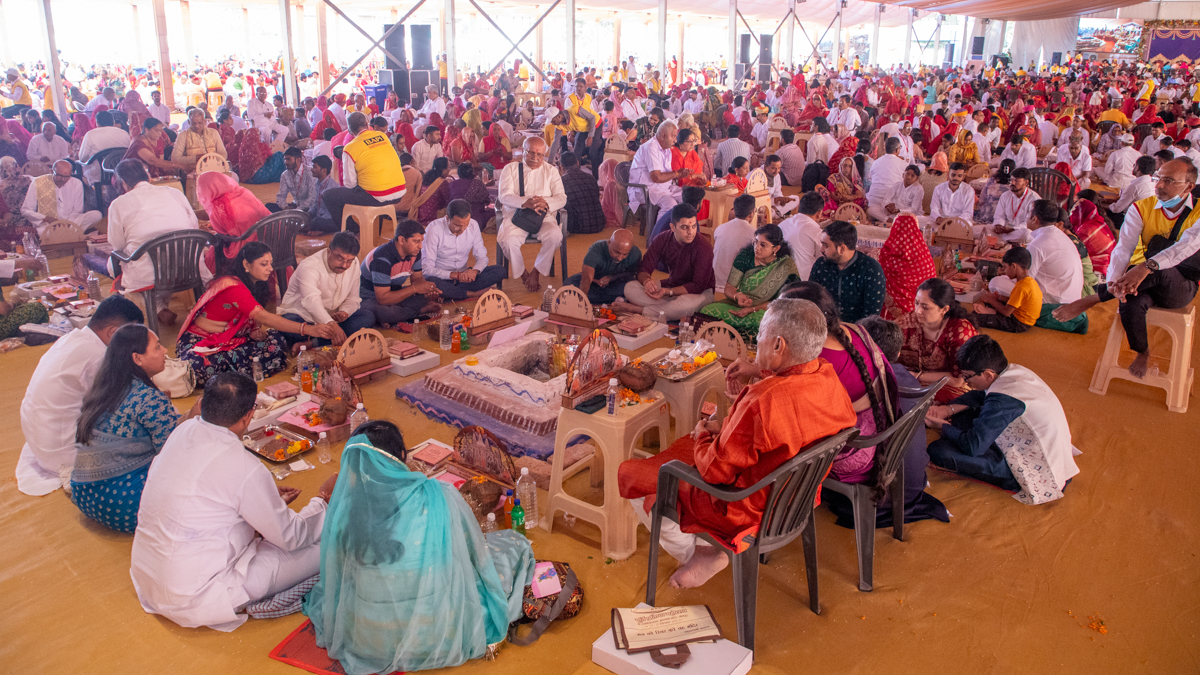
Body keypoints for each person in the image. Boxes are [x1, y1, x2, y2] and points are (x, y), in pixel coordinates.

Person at [617, 298, 857, 589]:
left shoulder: (762, 400)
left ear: (778, 345)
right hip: (796, 498)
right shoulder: (827, 376)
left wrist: (705, 432)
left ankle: (698, 552)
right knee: (685, 446)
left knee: (632, 473)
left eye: (760, 336)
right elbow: (790, 423)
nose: (757, 342)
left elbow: (714, 473)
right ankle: (699, 548)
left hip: (742, 507)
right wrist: (757, 378)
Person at [303, 421, 533, 673]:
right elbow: (474, 555)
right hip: (435, 637)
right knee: (512, 545)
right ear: (402, 456)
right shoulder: (438, 494)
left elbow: (339, 576)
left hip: (368, 638)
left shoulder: (347, 510)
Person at [131, 372, 337, 631]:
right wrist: (323, 499)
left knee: (277, 535)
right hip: (197, 595)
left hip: (149, 577)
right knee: (330, 545)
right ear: (248, 417)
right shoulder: (243, 466)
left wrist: (264, 500)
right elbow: (291, 536)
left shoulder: (183, 431)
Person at [1052, 158, 1200, 378]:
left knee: (1158, 269)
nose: (1159, 186)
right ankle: (1142, 350)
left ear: (1188, 187)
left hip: (1180, 287)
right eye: (1158, 178)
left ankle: (1095, 298)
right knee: (1130, 303)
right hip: (1144, 280)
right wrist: (1114, 281)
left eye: (1168, 181)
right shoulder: (1142, 207)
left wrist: (1146, 267)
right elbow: (1123, 249)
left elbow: (1185, 247)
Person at [70, 324, 200, 532]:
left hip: (85, 495)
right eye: (157, 347)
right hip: (126, 508)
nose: (165, 351)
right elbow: (171, 456)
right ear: (137, 358)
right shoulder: (149, 399)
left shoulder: (105, 387)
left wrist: (191, 414)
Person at [925, 335, 1079, 504]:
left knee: (939, 450)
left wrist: (943, 427)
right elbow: (981, 394)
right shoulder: (1012, 371)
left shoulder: (1003, 399)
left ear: (988, 375)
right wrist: (947, 409)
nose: (966, 382)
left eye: (968, 377)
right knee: (963, 413)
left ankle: (1008, 479)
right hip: (1036, 446)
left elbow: (973, 447)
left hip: (1037, 469)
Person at [15, 296, 144, 496]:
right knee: (145, 438)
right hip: (64, 454)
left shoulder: (71, 339)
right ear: (113, 333)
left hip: (39, 442)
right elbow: (124, 406)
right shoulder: (98, 356)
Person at [179, 242, 335, 385]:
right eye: (263, 264)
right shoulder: (233, 287)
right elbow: (265, 317)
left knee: (276, 339)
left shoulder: (254, 283)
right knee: (199, 365)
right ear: (246, 264)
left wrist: (254, 330)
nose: (270, 268)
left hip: (231, 339)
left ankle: (237, 371)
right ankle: (228, 376)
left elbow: (255, 316)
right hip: (201, 344)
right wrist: (308, 329)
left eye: (270, 263)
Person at [850, 315, 950, 527]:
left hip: (874, 491)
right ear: (897, 353)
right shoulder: (907, 379)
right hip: (911, 485)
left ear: (859, 348)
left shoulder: (861, 381)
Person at [106, 159, 202, 325]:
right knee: (160, 262)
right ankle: (160, 307)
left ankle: (154, 308)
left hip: (149, 275)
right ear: (148, 177)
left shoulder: (118, 204)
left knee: (112, 263)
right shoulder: (174, 192)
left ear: (123, 184)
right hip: (188, 267)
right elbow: (194, 225)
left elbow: (117, 245)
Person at [615, 203, 715, 320]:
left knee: (685, 305)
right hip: (672, 286)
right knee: (630, 288)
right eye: (684, 227)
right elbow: (644, 268)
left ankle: (639, 310)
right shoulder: (662, 239)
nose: (690, 232)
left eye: (693, 226)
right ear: (673, 227)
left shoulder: (704, 247)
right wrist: (647, 282)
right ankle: (666, 310)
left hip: (700, 293)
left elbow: (698, 285)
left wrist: (669, 292)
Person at [702, 223, 800, 337]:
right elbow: (729, 287)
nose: (757, 247)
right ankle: (739, 335)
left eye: (763, 245)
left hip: (765, 311)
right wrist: (737, 296)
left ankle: (727, 333)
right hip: (738, 306)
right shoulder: (746, 256)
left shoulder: (786, 266)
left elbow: (782, 303)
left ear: (776, 248)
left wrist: (752, 309)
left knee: (767, 324)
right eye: (756, 242)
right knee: (707, 311)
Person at [278, 231, 374, 346]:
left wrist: (345, 312)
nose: (344, 265)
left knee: (368, 317)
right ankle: (323, 339)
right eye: (340, 258)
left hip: (332, 317)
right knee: (289, 325)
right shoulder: (309, 266)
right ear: (329, 251)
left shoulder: (354, 264)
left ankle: (312, 343)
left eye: (349, 261)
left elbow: (353, 298)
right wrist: (331, 325)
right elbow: (311, 302)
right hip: (303, 315)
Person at [497, 136, 567, 292]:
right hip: (517, 216)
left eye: (540, 155)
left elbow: (562, 198)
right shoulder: (511, 169)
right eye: (531, 153)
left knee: (555, 236)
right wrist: (525, 203)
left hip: (544, 217)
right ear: (523, 151)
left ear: (544, 155)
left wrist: (546, 203)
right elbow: (504, 196)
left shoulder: (552, 171)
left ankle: (536, 272)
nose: (535, 158)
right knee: (507, 240)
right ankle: (523, 274)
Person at [896, 277, 978, 403]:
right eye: (916, 303)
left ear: (944, 309)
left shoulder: (960, 331)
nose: (918, 311)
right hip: (911, 380)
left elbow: (959, 380)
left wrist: (918, 377)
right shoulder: (906, 322)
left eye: (925, 307)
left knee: (932, 411)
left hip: (948, 386)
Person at [322, 112, 407, 233]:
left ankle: (354, 232)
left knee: (328, 195)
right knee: (375, 186)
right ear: (367, 124)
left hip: (377, 196)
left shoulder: (350, 148)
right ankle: (375, 234)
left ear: (350, 131)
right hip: (399, 192)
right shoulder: (382, 136)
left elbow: (350, 184)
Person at [359, 219, 441, 326]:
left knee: (424, 297)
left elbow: (417, 278)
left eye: (421, 241)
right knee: (387, 313)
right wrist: (415, 289)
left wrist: (426, 289)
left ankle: (402, 314)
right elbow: (383, 299)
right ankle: (419, 312)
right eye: (416, 241)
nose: (420, 246)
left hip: (395, 293)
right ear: (402, 240)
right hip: (370, 298)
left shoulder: (415, 252)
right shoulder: (381, 259)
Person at [421, 199, 507, 301]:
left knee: (499, 270)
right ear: (447, 218)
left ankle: (451, 294)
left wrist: (474, 271)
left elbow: (482, 256)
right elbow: (427, 269)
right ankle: (472, 294)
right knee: (430, 281)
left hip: (465, 278)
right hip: (442, 279)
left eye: (466, 225)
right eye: (457, 226)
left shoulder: (473, 225)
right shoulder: (434, 229)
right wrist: (455, 275)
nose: (462, 229)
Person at [809, 220, 886, 323]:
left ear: (842, 249)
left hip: (857, 333)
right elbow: (811, 301)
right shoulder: (821, 265)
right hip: (823, 329)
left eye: (826, 245)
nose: (821, 250)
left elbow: (871, 317)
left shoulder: (870, 270)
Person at [19, 159, 103, 234]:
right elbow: (25, 210)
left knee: (96, 215)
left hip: (71, 223)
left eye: (67, 176)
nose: (63, 179)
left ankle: (66, 234)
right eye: (60, 176)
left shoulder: (77, 183)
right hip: (47, 225)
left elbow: (77, 211)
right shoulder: (37, 183)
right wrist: (46, 218)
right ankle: (72, 235)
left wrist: (66, 224)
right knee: (43, 232)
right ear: (52, 172)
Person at [878, 213, 936, 320]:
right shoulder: (925, 257)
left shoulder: (886, 254)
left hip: (888, 318)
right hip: (918, 314)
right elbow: (932, 285)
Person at [971, 247, 1041, 334]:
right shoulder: (1029, 282)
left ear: (1014, 266)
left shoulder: (1022, 287)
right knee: (990, 303)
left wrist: (990, 300)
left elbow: (1006, 312)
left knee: (974, 317)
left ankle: (992, 313)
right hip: (1023, 318)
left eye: (1005, 267)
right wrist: (1000, 298)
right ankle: (991, 311)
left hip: (1018, 323)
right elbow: (1017, 301)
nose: (1004, 270)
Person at [567, 229, 643, 306]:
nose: (620, 258)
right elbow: (587, 276)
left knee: (634, 287)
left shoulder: (635, 253)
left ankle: (601, 299)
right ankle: (617, 299)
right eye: (617, 252)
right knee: (570, 283)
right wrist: (583, 297)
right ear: (609, 242)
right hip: (594, 283)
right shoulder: (596, 248)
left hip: (616, 283)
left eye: (625, 254)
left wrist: (612, 278)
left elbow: (631, 274)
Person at [628, 120, 684, 217]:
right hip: (646, 189)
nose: (675, 140)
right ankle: (659, 232)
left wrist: (680, 174)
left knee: (688, 197)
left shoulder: (667, 149)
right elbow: (656, 178)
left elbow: (665, 175)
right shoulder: (650, 147)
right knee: (670, 205)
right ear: (663, 135)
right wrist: (677, 173)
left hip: (662, 188)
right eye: (673, 136)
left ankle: (679, 230)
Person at [711, 194, 758, 292]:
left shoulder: (720, 228)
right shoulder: (754, 233)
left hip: (713, 281)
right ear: (751, 213)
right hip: (732, 288)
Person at [777, 191, 825, 279]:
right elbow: (823, 259)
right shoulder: (817, 232)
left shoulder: (782, 224)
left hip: (779, 280)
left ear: (798, 207)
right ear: (819, 214)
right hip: (804, 282)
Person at [77, 110, 130, 185]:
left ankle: (94, 195)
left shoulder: (90, 134)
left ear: (97, 123)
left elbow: (82, 158)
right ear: (113, 122)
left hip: (99, 175)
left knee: (82, 171)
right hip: (120, 172)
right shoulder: (124, 133)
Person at [557, 152, 605, 234]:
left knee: (556, 203)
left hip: (579, 227)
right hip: (599, 223)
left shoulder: (561, 181)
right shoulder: (591, 177)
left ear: (561, 167)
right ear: (578, 162)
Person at [1108, 155, 1157, 229]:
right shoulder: (1153, 183)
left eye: (1134, 165)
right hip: (1146, 220)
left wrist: (1103, 205)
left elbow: (1117, 209)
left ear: (1137, 167)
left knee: (1102, 213)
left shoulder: (1135, 186)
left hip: (1131, 221)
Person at [865, 137, 908, 222]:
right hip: (892, 205)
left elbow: (872, 179)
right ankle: (891, 220)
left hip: (875, 204)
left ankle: (886, 219)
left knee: (871, 209)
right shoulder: (903, 164)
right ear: (897, 150)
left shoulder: (875, 162)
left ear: (885, 149)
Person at [174, 107, 228, 171]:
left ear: (204, 122)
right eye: (194, 123)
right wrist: (195, 158)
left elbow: (223, 154)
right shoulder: (183, 135)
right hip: (193, 171)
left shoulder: (213, 133)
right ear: (189, 122)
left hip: (214, 169)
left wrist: (211, 160)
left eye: (199, 123)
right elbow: (175, 158)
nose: (197, 126)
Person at [929, 162, 975, 226]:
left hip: (959, 222)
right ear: (948, 174)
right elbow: (934, 208)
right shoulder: (939, 188)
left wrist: (952, 221)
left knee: (968, 224)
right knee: (925, 224)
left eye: (959, 176)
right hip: (941, 221)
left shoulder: (969, 191)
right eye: (953, 175)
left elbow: (967, 213)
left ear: (963, 176)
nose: (956, 178)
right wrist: (938, 218)